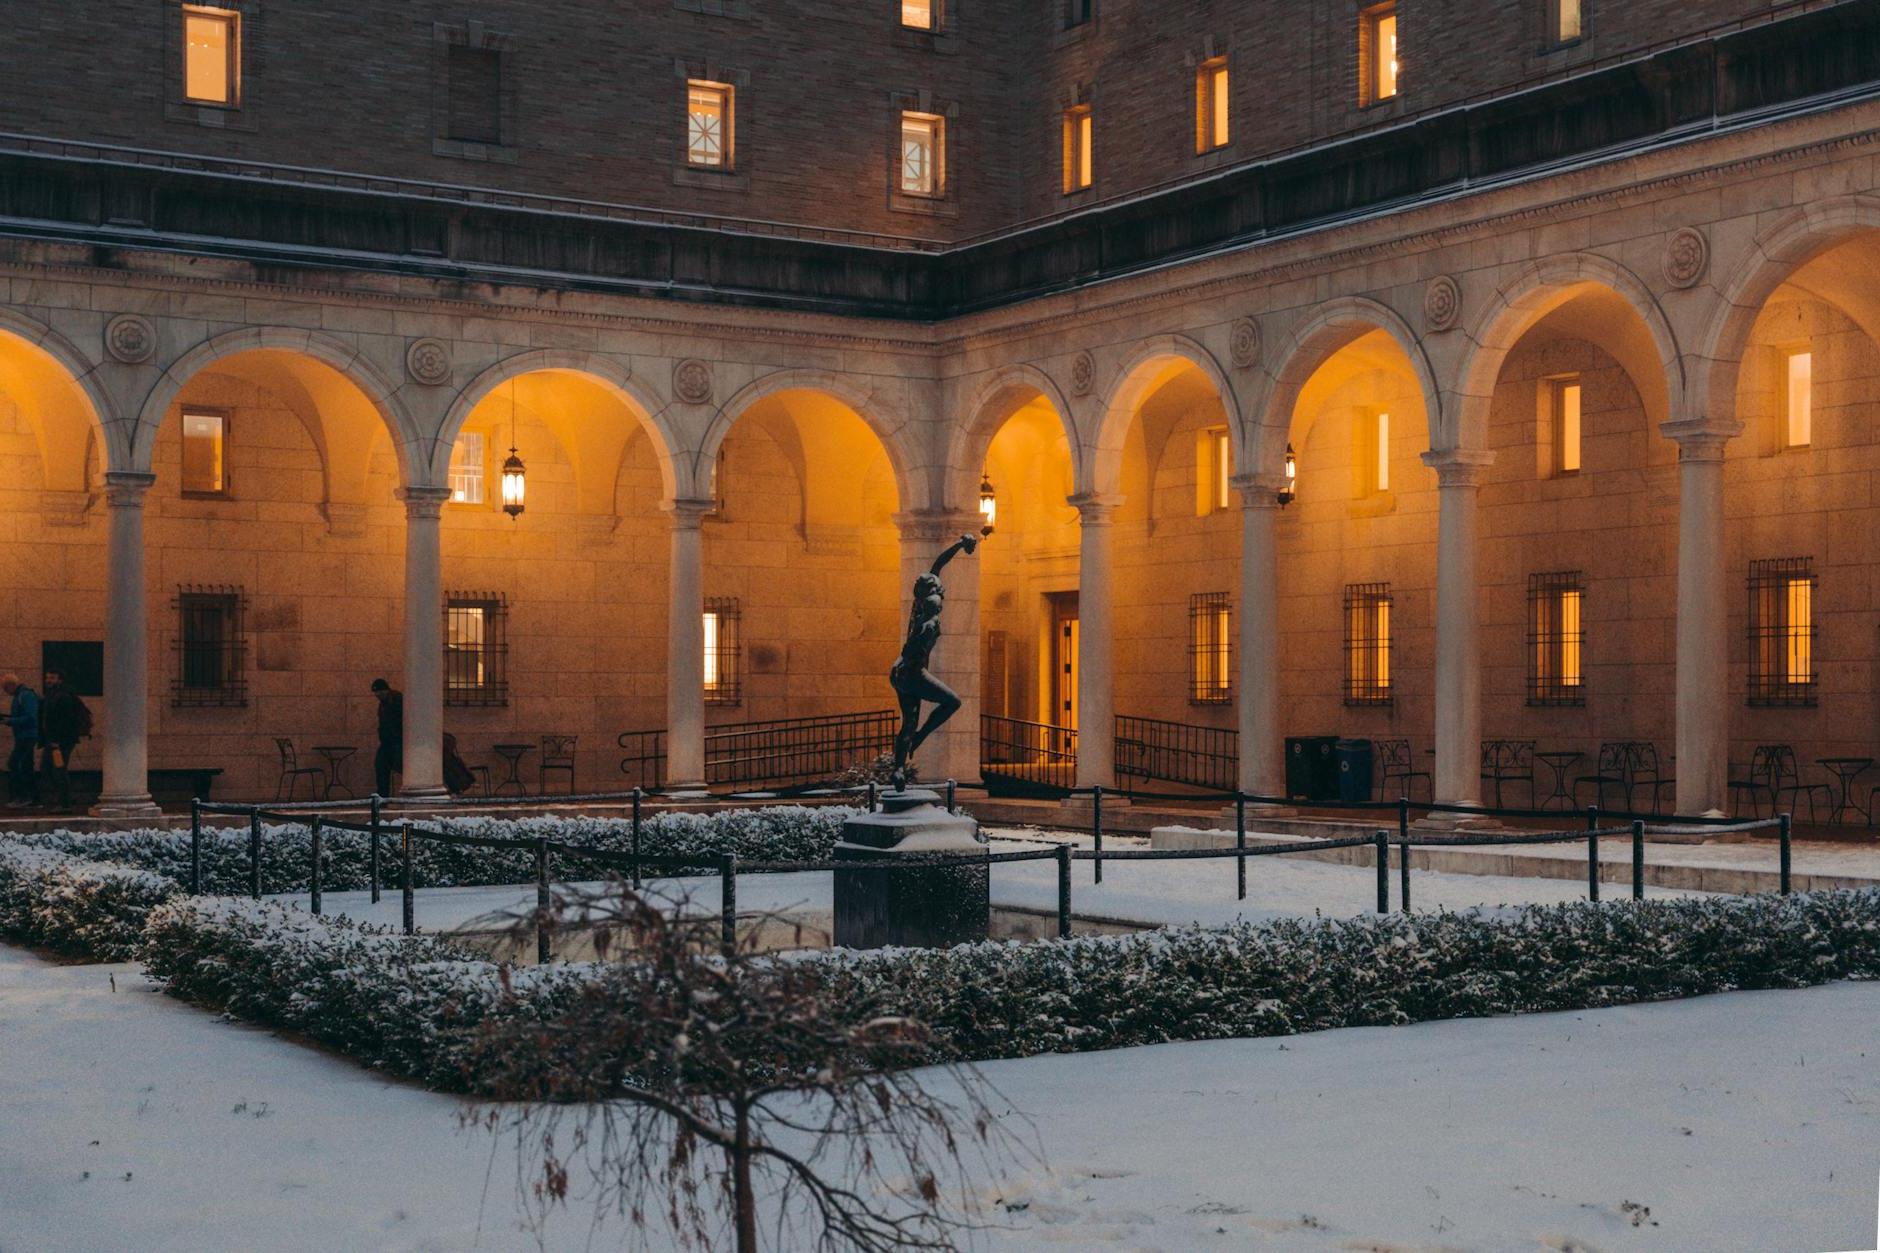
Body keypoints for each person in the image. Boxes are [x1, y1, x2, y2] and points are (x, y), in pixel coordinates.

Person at [888, 532, 979, 786]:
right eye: (937, 601)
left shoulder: (920, 599)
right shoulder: (929, 619)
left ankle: (898, 769)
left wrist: (960, 545)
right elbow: (915, 645)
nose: (940, 602)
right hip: (912, 672)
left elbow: (938, 564)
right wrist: (922, 641)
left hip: (899, 671)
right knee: (952, 702)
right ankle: (919, 738)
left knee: (908, 721)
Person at [38, 668, 90, 812]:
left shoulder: (63, 696)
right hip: (54, 741)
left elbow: (64, 721)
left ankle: (65, 803)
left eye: (52, 677)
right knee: (50, 769)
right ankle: (65, 797)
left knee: (57, 769)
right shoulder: (53, 695)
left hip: (60, 742)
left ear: (60, 680)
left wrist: (56, 741)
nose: (48, 680)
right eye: (47, 677)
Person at [1, 674, 40, 807]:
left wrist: (10, 721)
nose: (4, 691)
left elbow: (30, 717)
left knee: (16, 763)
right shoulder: (21, 696)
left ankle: (23, 796)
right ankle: (32, 797)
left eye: (5, 688)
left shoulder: (25, 696)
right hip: (24, 736)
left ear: (11, 685)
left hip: (27, 736)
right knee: (26, 765)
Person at [371, 678, 403, 797]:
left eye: (379, 692)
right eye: (376, 693)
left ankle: (383, 794)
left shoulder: (396, 699)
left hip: (397, 740)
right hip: (387, 741)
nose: (377, 695)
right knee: (380, 765)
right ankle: (382, 794)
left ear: (385, 690)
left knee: (393, 765)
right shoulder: (383, 703)